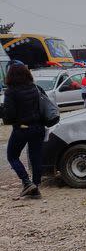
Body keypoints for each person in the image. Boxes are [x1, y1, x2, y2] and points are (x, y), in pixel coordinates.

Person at [3, 63, 45, 198]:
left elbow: (9, 116)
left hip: (22, 128)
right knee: (35, 157)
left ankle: (26, 182)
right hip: (38, 127)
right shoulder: (34, 87)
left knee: (12, 156)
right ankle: (36, 187)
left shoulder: (10, 91)